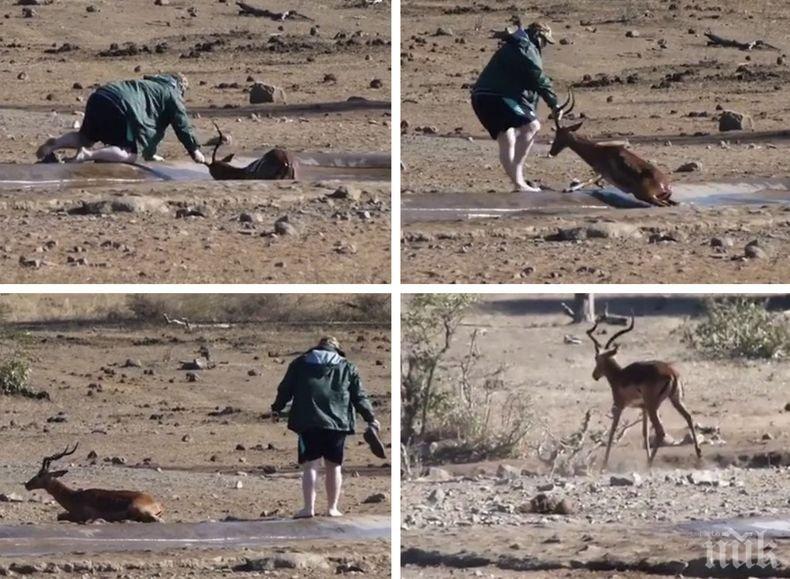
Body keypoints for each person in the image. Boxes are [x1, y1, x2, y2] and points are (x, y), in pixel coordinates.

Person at [270, 336, 380, 519]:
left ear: (317, 347)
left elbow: (285, 389)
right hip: (338, 423)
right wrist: (371, 418)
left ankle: (308, 509)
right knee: (334, 466)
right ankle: (332, 508)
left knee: (310, 466)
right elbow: (359, 396)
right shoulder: (347, 366)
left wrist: (276, 408)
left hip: (308, 421)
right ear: (336, 349)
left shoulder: (299, 364)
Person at [36, 73, 205, 165]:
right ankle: (87, 155)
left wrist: (151, 154)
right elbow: (181, 125)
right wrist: (194, 150)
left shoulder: (149, 85)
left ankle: (56, 143)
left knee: (85, 137)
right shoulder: (171, 94)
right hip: (121, 107)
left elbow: (154, 130)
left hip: (100, 96)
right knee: (129, 153)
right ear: (181, 88)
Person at [471, 21, 560, 192]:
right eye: (544, 41)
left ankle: (519, 184)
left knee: (508, 138)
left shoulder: (517, 46)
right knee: (532, 126)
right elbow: (538, 78)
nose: (544, 46)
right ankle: (519, 181)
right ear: (537, 36)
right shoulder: (526, 47)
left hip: (481, 98)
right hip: (498, 97)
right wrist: (554, 104)